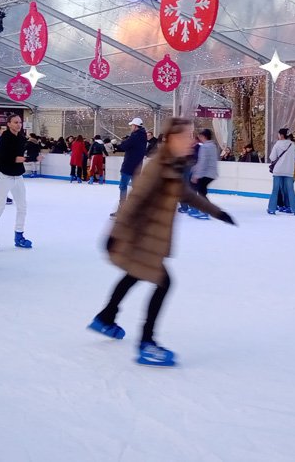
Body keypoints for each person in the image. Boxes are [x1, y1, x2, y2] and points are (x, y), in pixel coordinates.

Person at [87, 118, 235, 367]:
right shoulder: (157, 167)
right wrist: (114, 234)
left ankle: (106, 317)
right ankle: (147, 343)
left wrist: (217, 212)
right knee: (164, 283)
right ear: (171, 140)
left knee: (133, 275)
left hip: (149, 237)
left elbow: (186, 194)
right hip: (142, 238)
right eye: (185, 137)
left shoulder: (173, 166)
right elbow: (134, 201)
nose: (190, 141)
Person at [0, 114, 33, 250]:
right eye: (15, 122)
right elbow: (8, 158)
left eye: (20, 122)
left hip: (18, 176)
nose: (19, 124)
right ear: (8, 124)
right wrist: (29, 158)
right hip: (5, 175)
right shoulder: (5, 138)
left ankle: (19, 235)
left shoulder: (21, 137)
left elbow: (19, 156)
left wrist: (27, 157)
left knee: (22, 206)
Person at [113, 117, 148, 216]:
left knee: (123, 186)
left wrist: (117, 146)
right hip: (137, 166)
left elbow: (125, 145)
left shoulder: (135, 136)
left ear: (136, 126)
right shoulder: (143, 136)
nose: (131, 127)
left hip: (129, 166)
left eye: (132, 125)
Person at [267, 128, 295, 215]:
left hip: (278, 171)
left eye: (278, 134)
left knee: (275, 190)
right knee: (290, 190)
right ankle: (294, 209)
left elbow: (272, 158)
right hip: (289, 171)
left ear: (281, 135)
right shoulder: (292, 145)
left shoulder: (277, 145)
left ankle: (271, 209)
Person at [188, 129, 218, 220]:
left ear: (204, 136)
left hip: (205, 173)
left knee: (201, 193)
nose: (199, 138)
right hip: (211, 173)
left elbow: (203, 162)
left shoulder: (205, 147)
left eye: (200, 136)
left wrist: (196, 175)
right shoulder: (212, 146)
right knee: (201, 192)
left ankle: (206, 211)